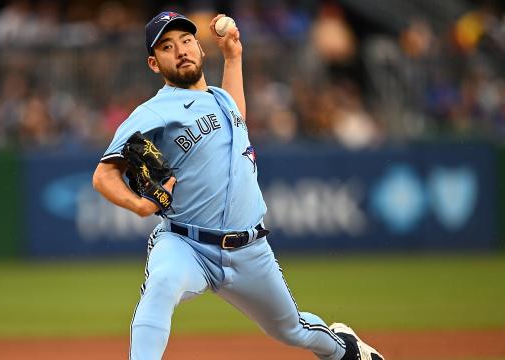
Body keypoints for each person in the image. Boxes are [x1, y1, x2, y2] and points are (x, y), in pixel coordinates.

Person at [92, 11, 384, 360]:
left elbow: (236, 118)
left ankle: (346, 351)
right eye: (168, 47)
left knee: (292, 329)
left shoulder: (219, 98)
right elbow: (104, 174)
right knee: (162, 284)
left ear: (199, 48)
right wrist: (139, 205)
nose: (181, 50)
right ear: (154, 64)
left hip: (249, 249)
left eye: (186, 41)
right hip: (186, 243)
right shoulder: (151, 112)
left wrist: (233, 56)